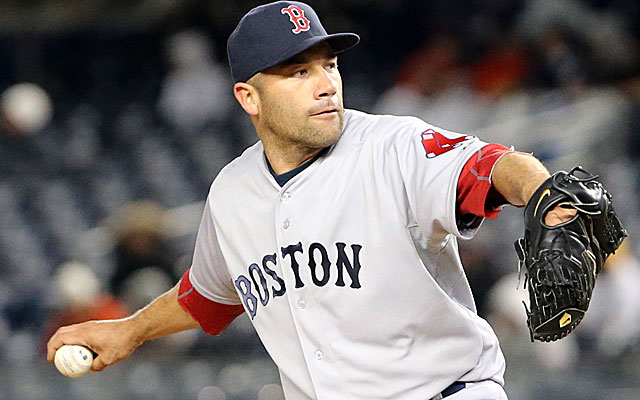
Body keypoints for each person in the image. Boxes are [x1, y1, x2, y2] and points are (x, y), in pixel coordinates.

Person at [47, 2, 576, 399]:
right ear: (247, 97)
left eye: (329, 65)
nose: (326, 84)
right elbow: (209, 296)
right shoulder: (231, 193)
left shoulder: (393, 146)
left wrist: (542, 195)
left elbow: (492, 167)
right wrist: (129, 331)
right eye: (299, 72)